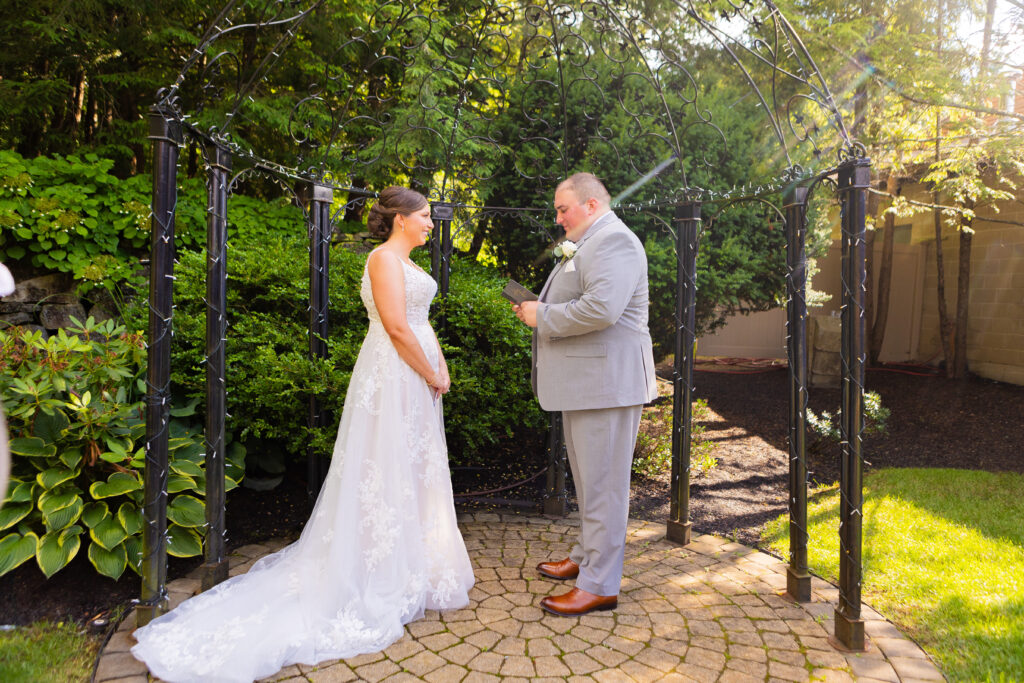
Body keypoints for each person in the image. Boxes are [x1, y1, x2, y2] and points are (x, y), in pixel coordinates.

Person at [131, 186, 475, 682]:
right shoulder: (382, 260)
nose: (429, 223)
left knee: (415, 466)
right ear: (401, 219)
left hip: (418, 374)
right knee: (384, 465)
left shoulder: (413, 265)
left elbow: (421, 322)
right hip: (395, 372)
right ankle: (376, 571)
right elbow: (398, 329)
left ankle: (416, 564)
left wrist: (440, 365)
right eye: (423, 215)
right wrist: (428, 371)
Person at [513, 172, 657, 617]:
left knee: (604, 488)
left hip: (607, 387)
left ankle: (600, 585)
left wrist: (543, 316)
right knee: (589, 483)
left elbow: (602, 309)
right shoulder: (593, 240)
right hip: (590, 386)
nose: (558, 219)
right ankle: (584, 559)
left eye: (563, 209)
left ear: (591, 205)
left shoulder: (615, 241)